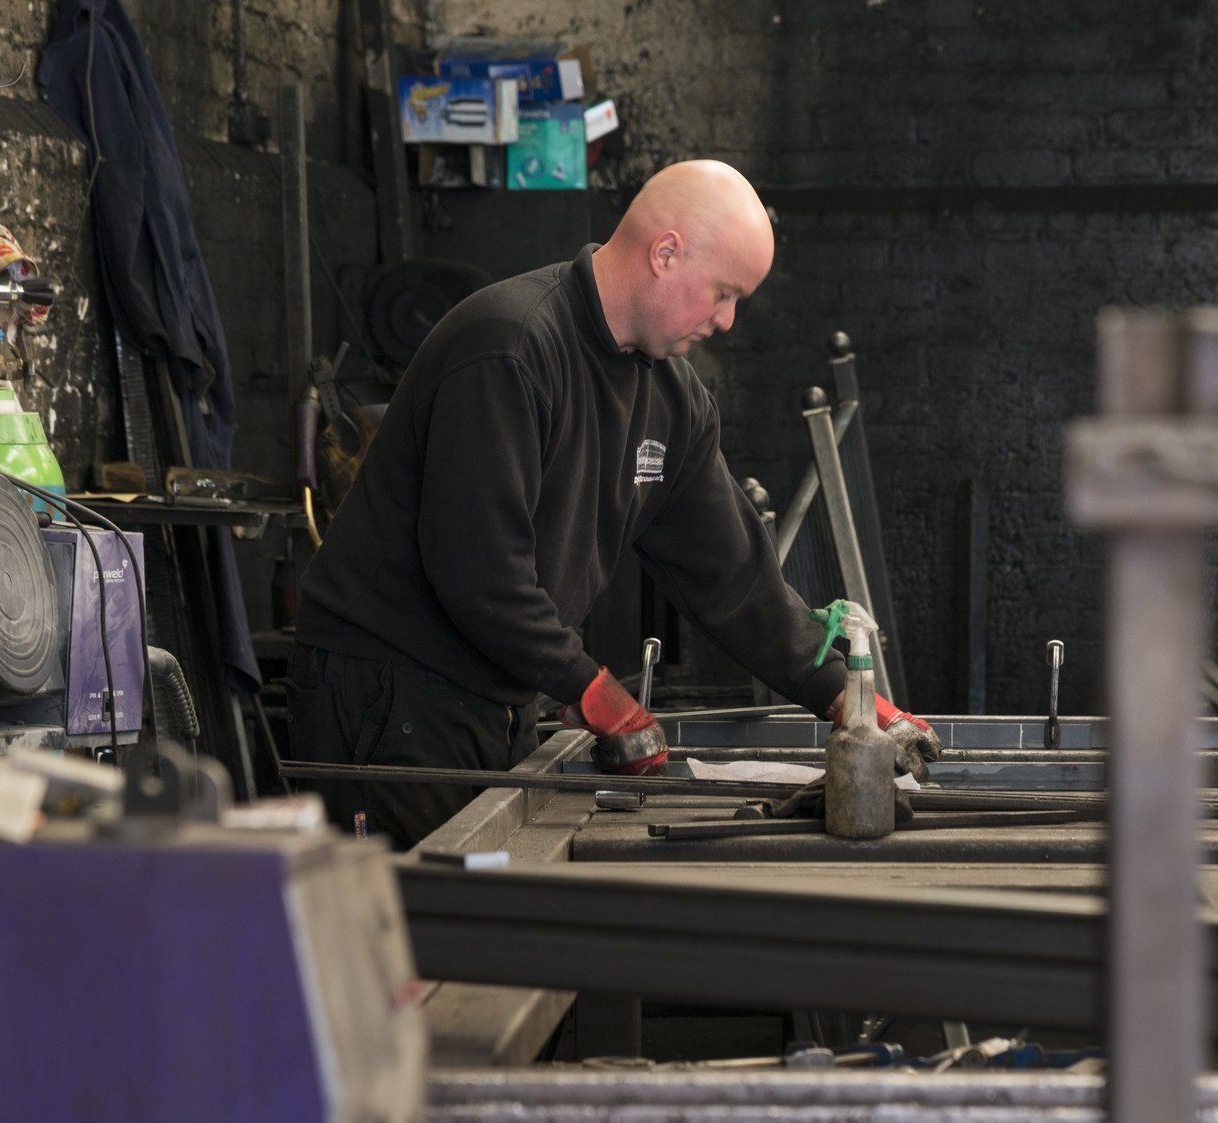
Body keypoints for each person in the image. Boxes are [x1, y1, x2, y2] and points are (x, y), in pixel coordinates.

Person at [288, 159, 940, 848]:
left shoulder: (671, 396)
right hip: (389, 695)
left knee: (477, 908)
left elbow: (736, 580)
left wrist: (847, 699)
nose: (726, 320)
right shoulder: (510, 348)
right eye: (723, 293)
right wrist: (592, 689)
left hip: (490, 693)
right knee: (419, 922)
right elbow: (479, 571)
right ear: (665, 253)